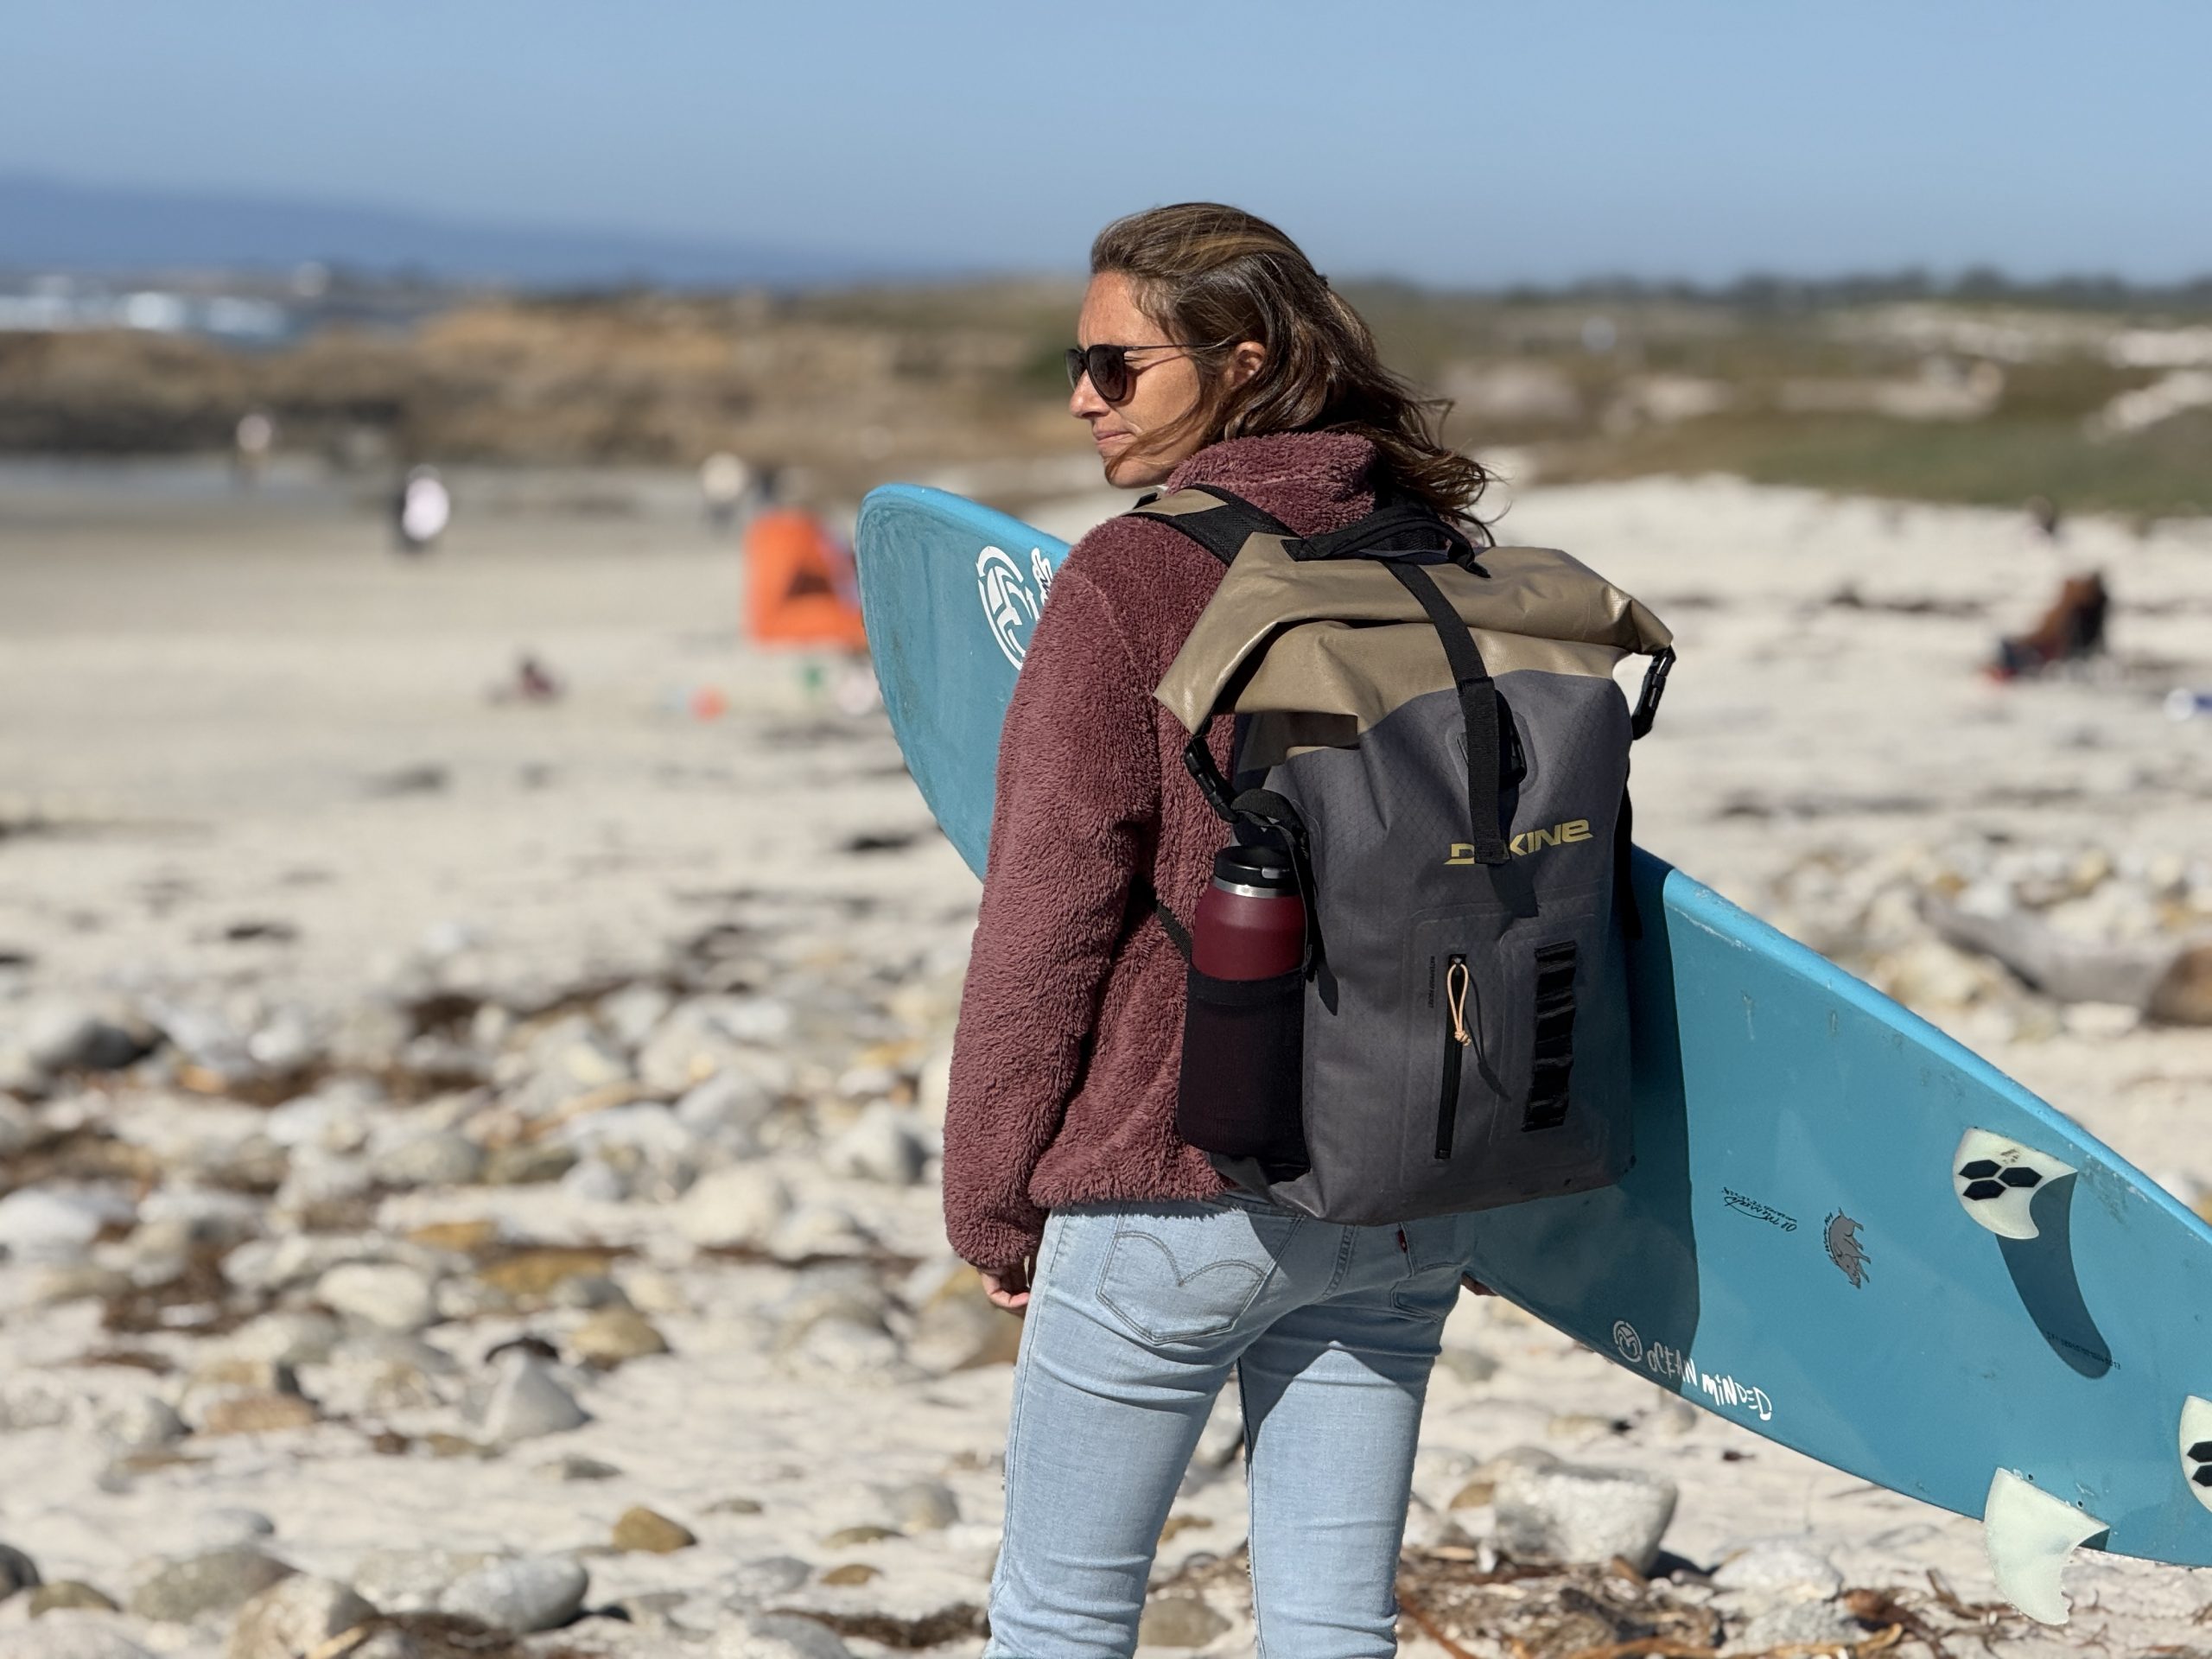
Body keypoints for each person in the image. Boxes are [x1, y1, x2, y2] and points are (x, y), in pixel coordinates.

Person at [943, 204, 1496, 1659]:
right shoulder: (1435, 553)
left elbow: (1047, 911)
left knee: (1062, 1616)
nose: (1081, 397)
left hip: (1172, 1180)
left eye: (1116, 365)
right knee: (1332, 1627)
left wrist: (993, 1189)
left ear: (1238, 363)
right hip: (1405, 1180)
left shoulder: (1135, 576)